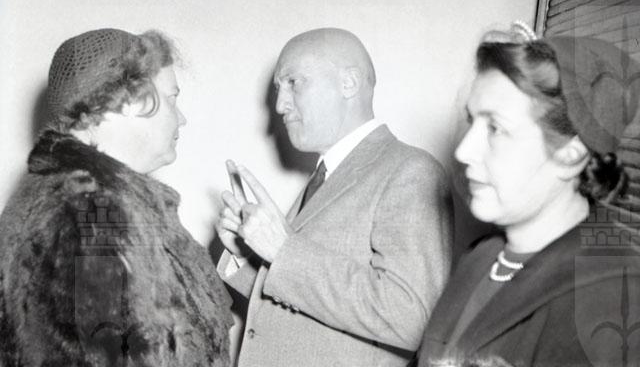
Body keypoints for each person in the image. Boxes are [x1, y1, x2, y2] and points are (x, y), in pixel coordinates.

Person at [216, 27, 453, 366]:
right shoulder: (326, 176)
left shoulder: (412, 171)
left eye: (293, 82)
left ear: (348, 83)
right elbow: (306, 307)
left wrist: (282, 250)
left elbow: (410, 316)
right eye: (279, 89)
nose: (280, 105)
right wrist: (246, 256)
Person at [0, 28, 232, 366]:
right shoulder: (93, 211)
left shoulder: (72, 196)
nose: (181, 118)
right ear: (130, 100)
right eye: (172, 98)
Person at [418, 23, 640, 366]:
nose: (463, 151)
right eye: (472, 122)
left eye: (495, 128)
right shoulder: (481, 256)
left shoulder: (613, 299)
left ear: (570, 154)